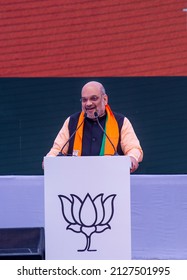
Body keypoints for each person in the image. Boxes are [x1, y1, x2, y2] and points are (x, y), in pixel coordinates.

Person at [45, 81, 143, 172]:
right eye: (84, 100)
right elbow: (57, 150)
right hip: (76, 181)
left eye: (94, 98)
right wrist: (49, 161)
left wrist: (132, 158)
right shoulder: (72, 122)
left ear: (105, 99)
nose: (88, 103)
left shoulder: (120, 122)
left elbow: (133, 149)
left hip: (111, 181)